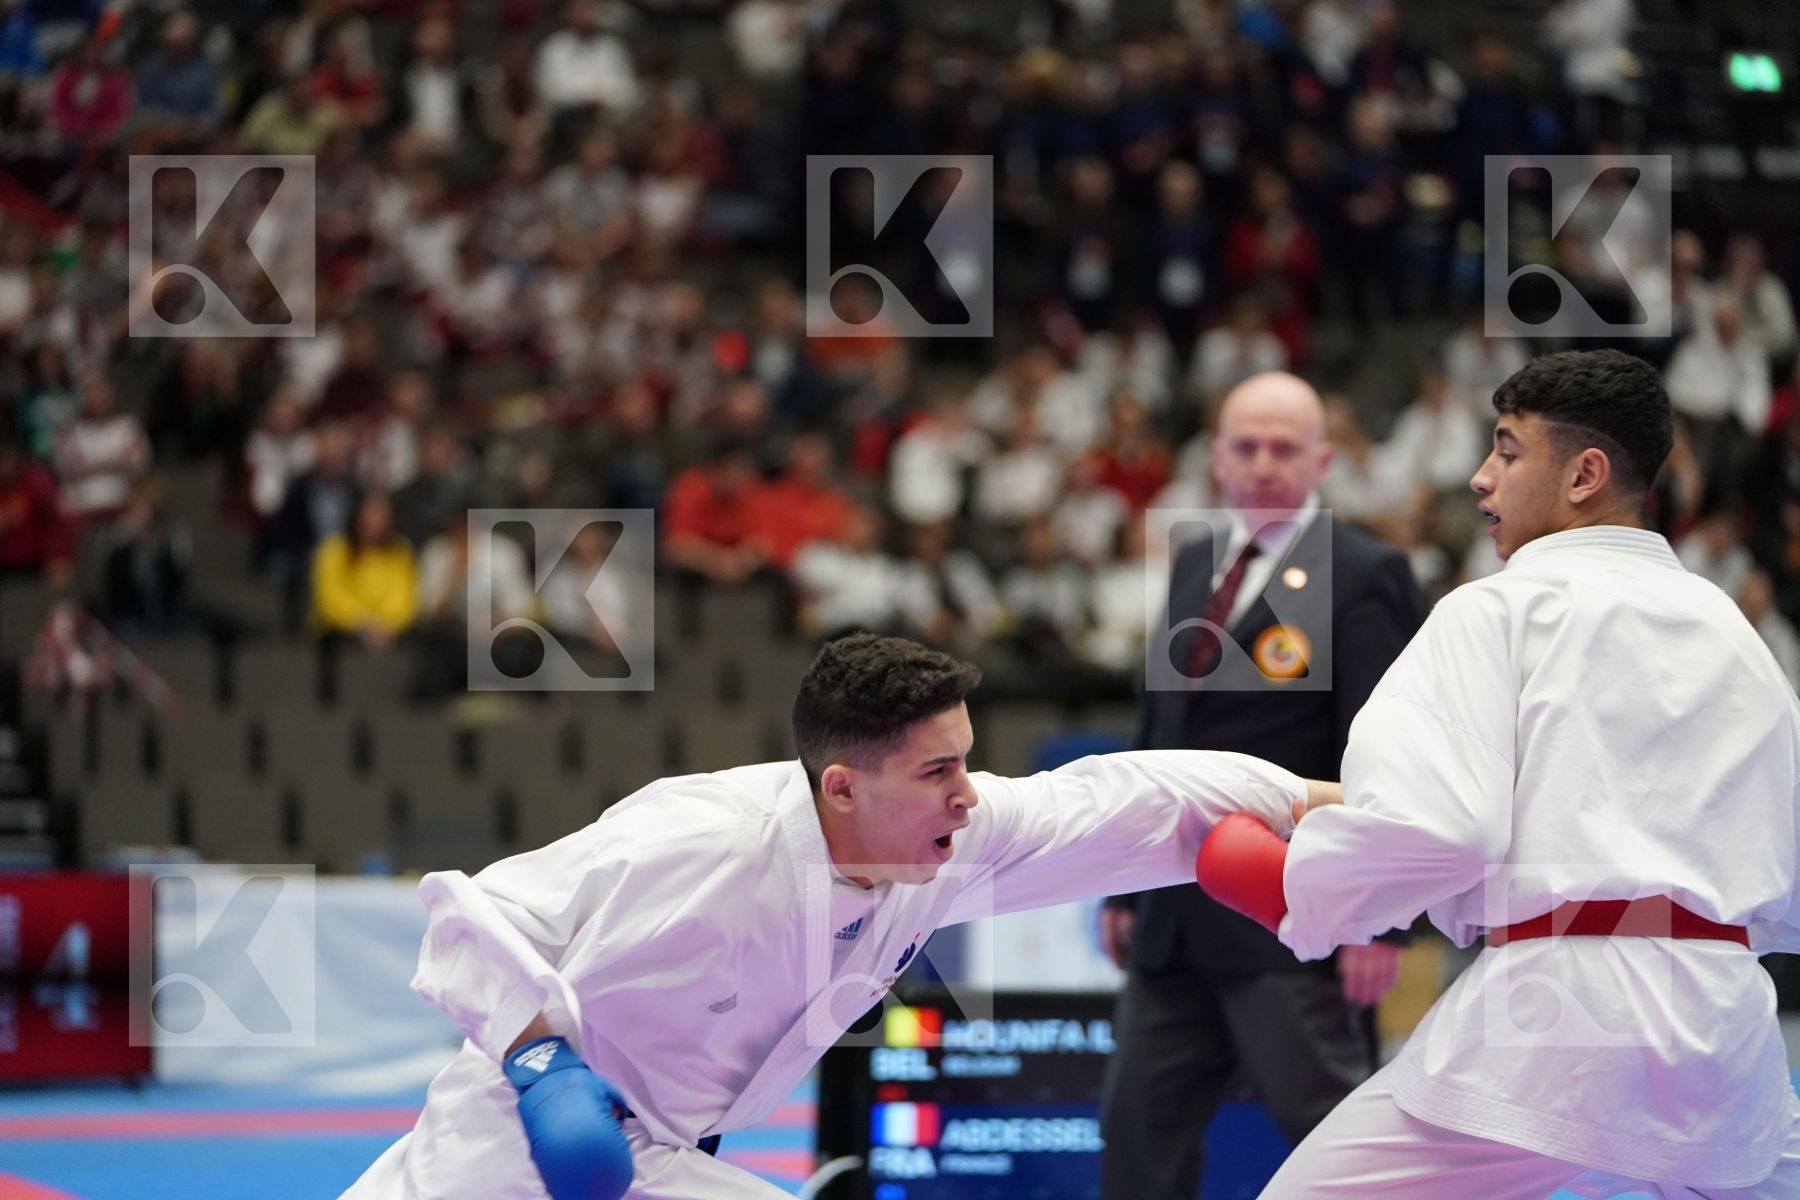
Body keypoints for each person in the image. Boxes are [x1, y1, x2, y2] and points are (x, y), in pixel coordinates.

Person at [342, 633, 1333, 1200]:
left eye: (965, 759)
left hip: (661, 1158)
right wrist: (541, 1064)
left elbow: (1123, 799)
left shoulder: (947, 836)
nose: (967, 794)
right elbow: (469, 914)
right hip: (515, 1143)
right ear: (844, 787)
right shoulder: (697, 841)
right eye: (937, 770)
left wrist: (1313, 803)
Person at [1197, 349, 1800, 1197]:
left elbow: (1441, 828)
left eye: (1509, 452)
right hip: (1723, 1028)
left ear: (1585, 475)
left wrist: (1295, 887)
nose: (1481, 477)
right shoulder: (1733, 633)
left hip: (1551, 1021)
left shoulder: (1495, 607)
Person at [1099, 371, 1424, 1199]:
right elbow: (1163, 725)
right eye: (1246, 447)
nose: (1264, 464)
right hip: (1173, 912)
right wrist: (1122, 883)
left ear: (1323, 461)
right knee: (1136, 1135)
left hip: (1292, 913)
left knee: (1335, 1142)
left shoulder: (1364, 571)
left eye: (1285, 448)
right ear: (1217, 459)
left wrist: (1383, 920)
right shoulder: (1196, 560)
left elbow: (1383, 751)